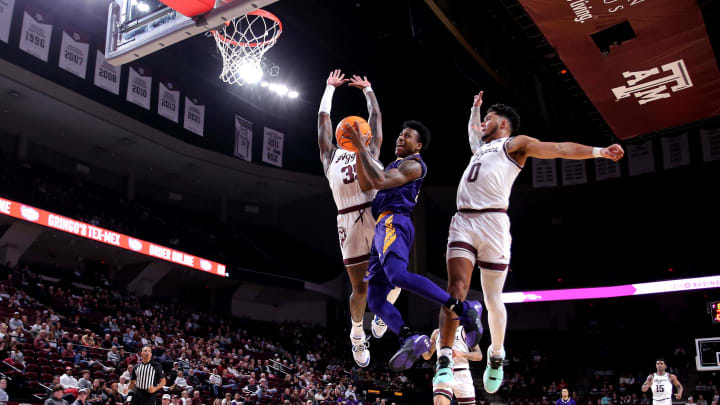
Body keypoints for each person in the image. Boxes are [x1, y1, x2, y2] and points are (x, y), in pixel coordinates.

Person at [434, 91, 625, 393]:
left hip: (494, 222)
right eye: (483, 120)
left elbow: (559, 148)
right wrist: (474, 109)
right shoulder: (480, 150)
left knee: (492, 297)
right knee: (454, 290)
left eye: (489, 119)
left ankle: (496, 354)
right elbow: (472, 132)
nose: (483, 123)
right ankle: (443, 359)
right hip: (463, 222)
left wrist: (599, 152)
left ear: (505, 124)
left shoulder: (515, 144)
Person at [343, 114, 483, 372]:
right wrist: (356, 151)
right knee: (374, 300)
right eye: (400, 134)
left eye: (407, 136)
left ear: (418, 145)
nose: (400, 137)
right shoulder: (393, 164)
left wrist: (361, 146)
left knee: (397, 276)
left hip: (394, 222)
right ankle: (408, 336)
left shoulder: (414, 165)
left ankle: (463, 309)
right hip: (380, 229)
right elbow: (366, 182)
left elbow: (380, 182)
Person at [318, 69, 400, 366]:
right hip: (348, 220)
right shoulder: (330, 156)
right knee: (360, 288)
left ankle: (381, 315)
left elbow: (376, 117)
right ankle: (356, 333)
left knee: (396, 277)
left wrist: (368, 90)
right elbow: (323, 122)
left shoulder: (371, 149)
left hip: (376, 213)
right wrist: (330, 89)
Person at [422, 327, 483, 405]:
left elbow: (479, 356)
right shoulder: (436, 332)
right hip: (443, 371)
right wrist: (421, 347)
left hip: (462, 373)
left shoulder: (465, 330)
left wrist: (460, 353)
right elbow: (427, 356)